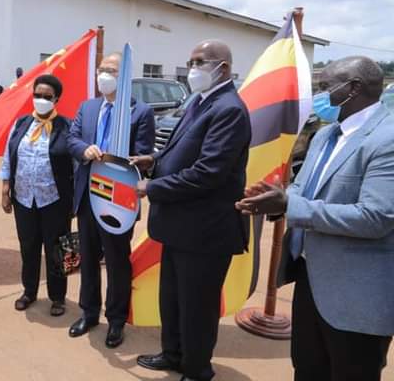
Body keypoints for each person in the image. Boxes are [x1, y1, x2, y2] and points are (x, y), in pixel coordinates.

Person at [236, 56, 394, 381]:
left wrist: (292, 207)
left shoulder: (386, 140)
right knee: (308, 369)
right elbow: (301, 188)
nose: (320, 97)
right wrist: (278, 201)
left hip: (356, 296)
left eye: (325, 87)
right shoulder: (324, 136)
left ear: (353, 89)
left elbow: (376, 217)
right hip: (310, 279)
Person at [132, 40, 251, 381]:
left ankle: (197, 370)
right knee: (172, 300)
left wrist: (151, 187)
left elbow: (207, 173)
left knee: (197, 307)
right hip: (179, 227)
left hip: (205, 232)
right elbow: (180, 150)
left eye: (200, 62)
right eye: (190, 61)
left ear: (223, 69)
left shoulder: (228, 109)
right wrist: (154, 161)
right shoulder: (201, 102)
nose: (192, 68)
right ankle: (173, 354)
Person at [67, 52, 155, 348]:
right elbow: (72, 139)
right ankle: (88, 313)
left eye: (111, 70)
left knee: (117, 261)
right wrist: (84, 150)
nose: (103, 74)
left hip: (118, 199)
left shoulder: (140, 111)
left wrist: (116, 160)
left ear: (124, 76)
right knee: (88, 258)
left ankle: (116, 320)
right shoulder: (89, 107)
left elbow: (143, 156)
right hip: (87, 196)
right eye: (101, 69)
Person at [0, 75, 74, 317]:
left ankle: (57, 297)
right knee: (28, 247)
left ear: (56, 99)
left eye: (47, 97)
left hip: (54, 199)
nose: (41, 100)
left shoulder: (67, 126)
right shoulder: (21, 124)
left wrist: (75, 200)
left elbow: (76, 164)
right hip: (24, 198)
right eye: (37, 95)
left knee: (56, 249)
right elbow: (8, 156)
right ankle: (29, 291)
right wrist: (5, 189)